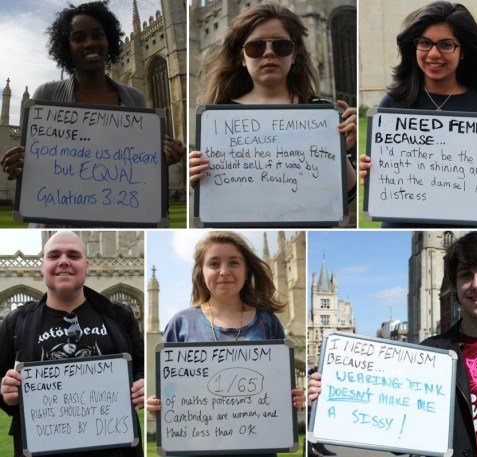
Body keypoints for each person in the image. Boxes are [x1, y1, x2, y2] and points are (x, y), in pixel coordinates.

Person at [309, 231, 477, 457]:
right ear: (454, 283)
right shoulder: (431, 355)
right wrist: (330, 392)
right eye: (466, 275)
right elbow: (392, 419)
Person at [0, 1, 185, 224]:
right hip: (55, 217)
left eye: (98, 35)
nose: (90, 43)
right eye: (79, 38)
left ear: (109, 41)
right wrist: (19, 163)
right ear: (66, 47)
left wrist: (163, 156)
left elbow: (138, 165)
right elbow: (37, 161)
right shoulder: (47, 95)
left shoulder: (134, 98)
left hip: (119, 212)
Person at [147, 231, 304, 457]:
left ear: (246, 269)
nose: (224, 271)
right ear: (201, 272)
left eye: (233, 263)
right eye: (214, 263)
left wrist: (292, 398)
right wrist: (157, 404)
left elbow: (278, 391)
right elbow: (170, 392)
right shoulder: (181, 324)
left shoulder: (268, 323)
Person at [358, 1, 477, 228]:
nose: (434, 54)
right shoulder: (393, 103)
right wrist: (371, 170)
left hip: (462, 222)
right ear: (414, 47)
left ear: (464, 51)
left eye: (446, 45)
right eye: (425, 43)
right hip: (402, 221)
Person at [189, 2, 357, 206]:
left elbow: (347, 195)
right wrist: (198, 178)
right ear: (242, 57)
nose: (269, 53)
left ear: (294, 55)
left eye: (281, 46)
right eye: (256, 47)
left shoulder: (321, 111)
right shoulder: (217, 117)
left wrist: (340, 150)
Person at [0, 231, 144, 457]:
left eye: (73, 255)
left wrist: (143, 386)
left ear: (86, 265)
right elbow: (1, 384)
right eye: (54, 255)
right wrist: (6, 392)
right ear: (42, 265)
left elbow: (141, 367)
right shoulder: (16, 323)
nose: (64, 261)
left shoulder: (119, 316)